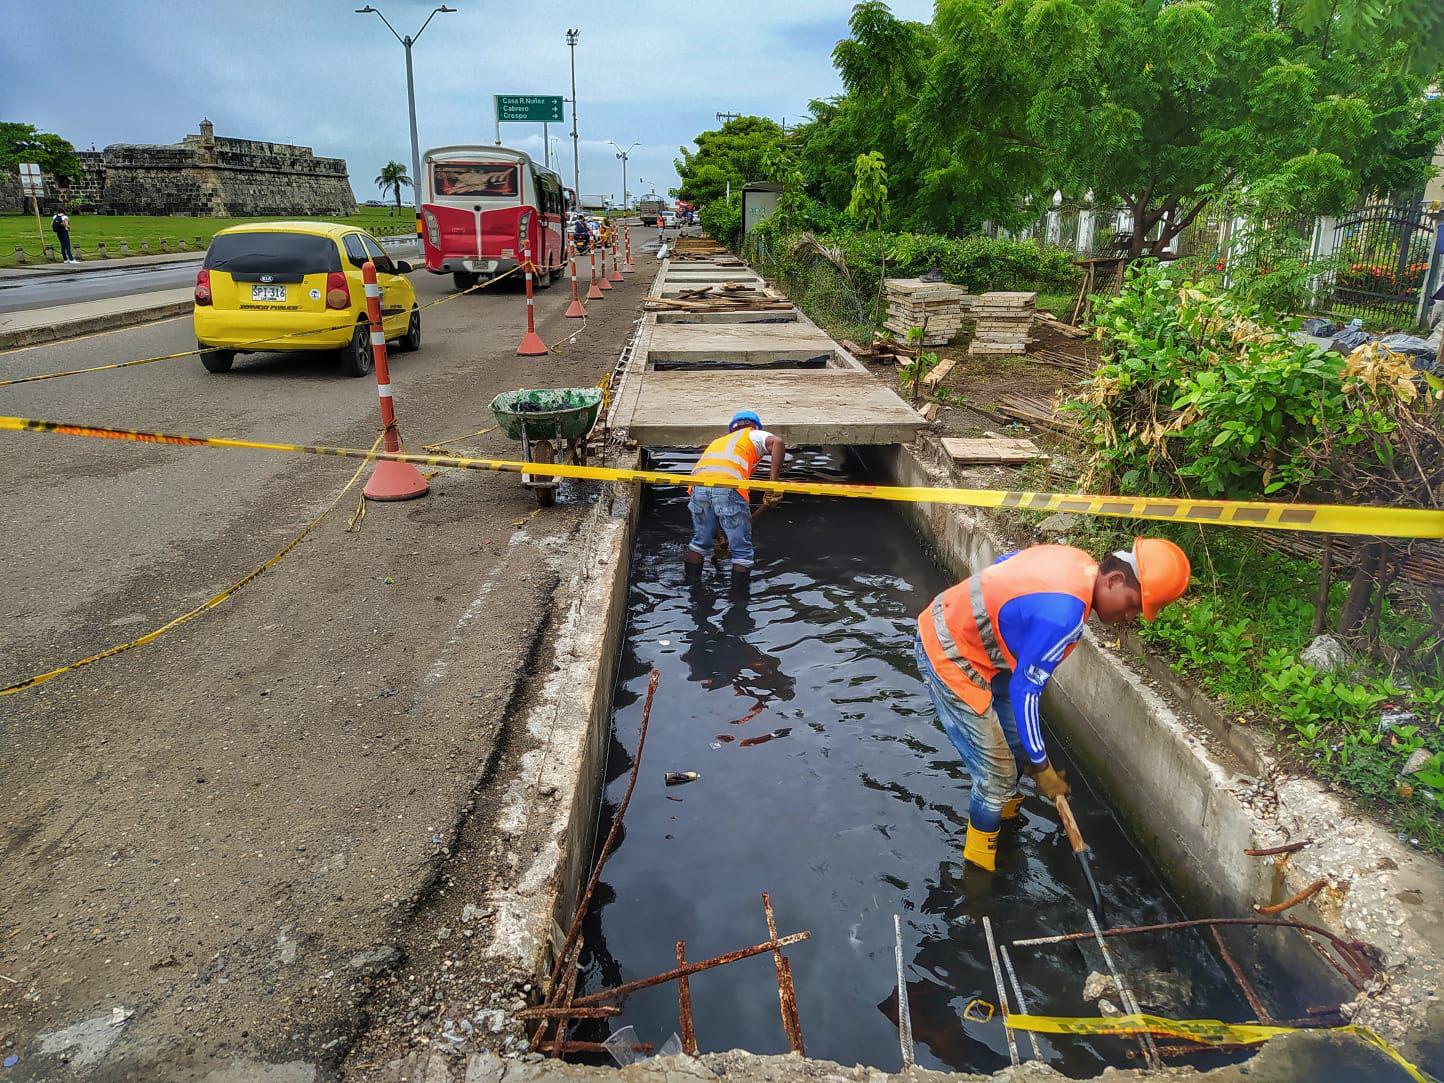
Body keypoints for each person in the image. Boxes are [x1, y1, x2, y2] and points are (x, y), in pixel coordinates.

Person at [915, 539, 1190, 872]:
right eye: (1132, 605)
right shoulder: (1065, 618)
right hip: (951, 652)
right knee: (997, 777)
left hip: (983, 643)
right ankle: (977, 876)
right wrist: (1043, 769)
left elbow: (1007, 561)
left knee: (1017, 748)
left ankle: (1005, 820)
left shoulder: (1076, 559)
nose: (1129, 617)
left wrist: (1032, 756)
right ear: (1114, 580)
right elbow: (1026, 690)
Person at [685, 411, 786, 576]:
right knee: (742, 553)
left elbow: (708, 486)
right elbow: (778, 442)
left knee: (699, 544)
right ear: (753, 425)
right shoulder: (752, 434)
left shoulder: (718, 442)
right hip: (728, 486)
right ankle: (738, 600)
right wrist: (773, 484)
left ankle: (690, 589)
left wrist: (717, 535)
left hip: (697, 487)